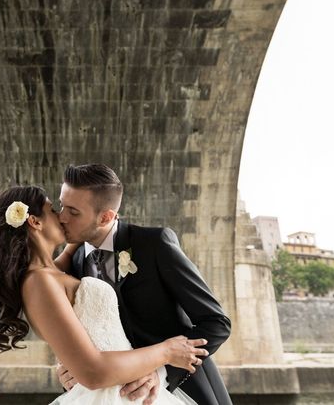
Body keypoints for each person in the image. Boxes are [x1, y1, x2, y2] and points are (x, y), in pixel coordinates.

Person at [0, 185, 205, 405]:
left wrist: (88, 228)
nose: (62, 216)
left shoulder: (50, 272)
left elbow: (59, 264)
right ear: (34, 222)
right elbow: (92, 372)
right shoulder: (38, 282)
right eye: (53, 210)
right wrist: (166, 352)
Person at [55, 164, 233, 405]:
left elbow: (216, 323)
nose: (61, 217)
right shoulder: (74, 261)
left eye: (74, 212)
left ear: (106, 216)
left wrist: (162, 370)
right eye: (62, 205)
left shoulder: (154, 244)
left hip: (180, 391)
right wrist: (69, 366)